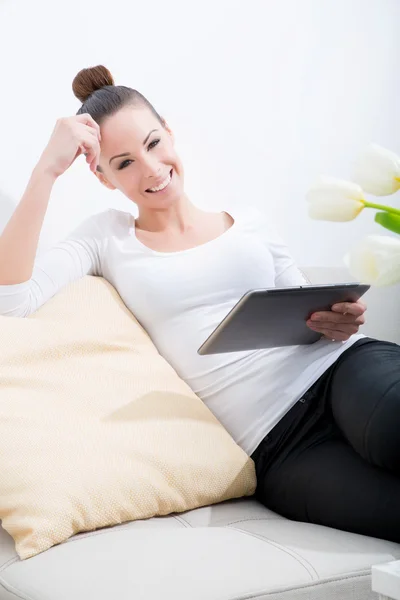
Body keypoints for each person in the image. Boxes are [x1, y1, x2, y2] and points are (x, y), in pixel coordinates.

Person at [0, 65, 399, 543]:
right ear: (103, 176)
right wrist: (47, 167)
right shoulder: (107, 238)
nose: (150, 169)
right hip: (279, 445)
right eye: (123, 162)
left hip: (341, 374)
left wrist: (339, 322)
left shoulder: (251, 224)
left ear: (170, 134)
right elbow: (13, 298)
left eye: (152, 143)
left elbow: (311, 318)